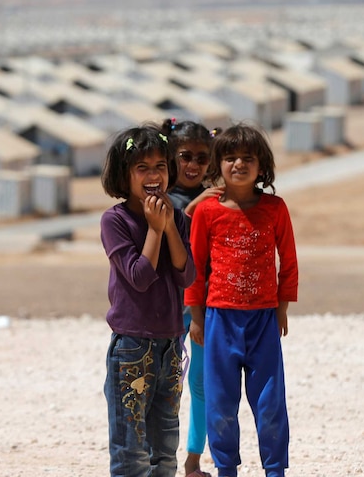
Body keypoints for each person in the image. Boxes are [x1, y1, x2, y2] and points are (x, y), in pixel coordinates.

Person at [185, 123, 298, 477]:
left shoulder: (276, 208)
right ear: (218, 165)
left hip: (263, 320)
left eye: (247, 158)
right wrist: (196, 317)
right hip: (220, 320)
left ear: (261, 166)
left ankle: (275, 469)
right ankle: (225, 469)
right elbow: (195, 267)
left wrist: (282, 307)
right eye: (230, 157)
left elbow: (289, 260)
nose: (238, 164)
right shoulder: (206, 212)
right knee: (220, 403)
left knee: (269, 403)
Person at [100, 123, 197, 477]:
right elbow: (140, 277)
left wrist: (170, 225)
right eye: (143, 168)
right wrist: (155, 229)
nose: (153, 175)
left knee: (164, 449)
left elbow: (187, 277)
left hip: (171, 345)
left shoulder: (178, 219)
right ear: (124, 176)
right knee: (132, 451)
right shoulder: (116, 221)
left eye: (160, 166)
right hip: (132, 347)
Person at [161, 118, 223, 477]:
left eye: (202, 158)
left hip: (204, 306)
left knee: (201, 384)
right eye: (185, 156)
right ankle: (161, 460)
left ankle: (193, 461)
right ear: (172, 156)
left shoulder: (214, 199)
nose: (194, 165)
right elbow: (177, 224)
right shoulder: (164, 196)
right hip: (170, 307)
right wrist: (200, 201)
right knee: (168, 385)